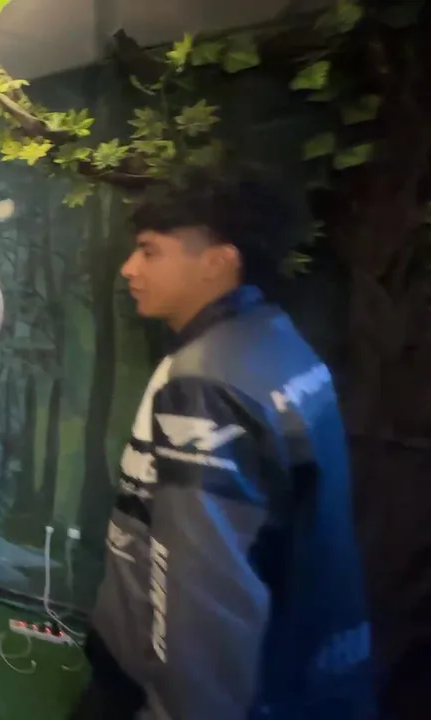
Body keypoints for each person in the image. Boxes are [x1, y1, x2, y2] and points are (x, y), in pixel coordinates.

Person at [73, 169, 373, 719]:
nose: (129, 268)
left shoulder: (205, 382)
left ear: (218, 261)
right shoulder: (280, 345)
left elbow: (202, 596)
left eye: (149, 251)